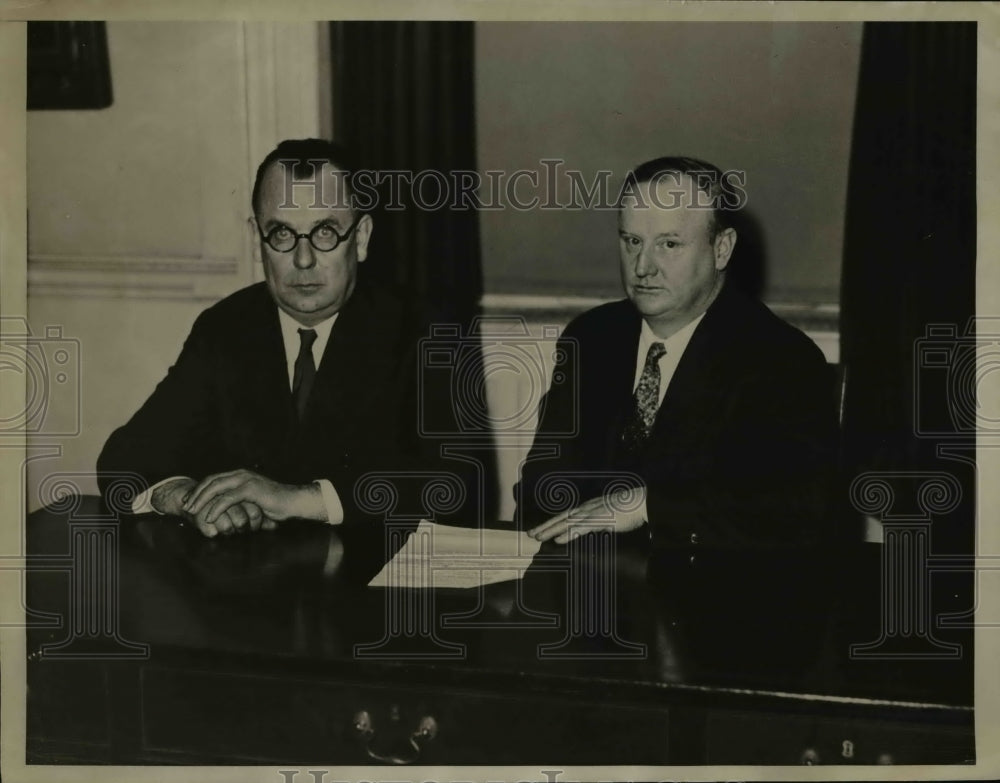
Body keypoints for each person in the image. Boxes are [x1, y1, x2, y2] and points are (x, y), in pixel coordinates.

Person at [97, 138, 466, 538]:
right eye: (282, 234)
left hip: (370, 586)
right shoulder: (226, 327)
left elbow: (459, 485)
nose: (303, 260)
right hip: (248, 588)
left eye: (325, 233)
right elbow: (124, 458)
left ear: (360, 238)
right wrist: (190, 499)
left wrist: (294, 499)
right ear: (257, 237)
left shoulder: (425, 331)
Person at [519, 157, 838, 552]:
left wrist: (649, 505)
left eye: (669, 244)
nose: (643, 267)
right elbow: (541, 483)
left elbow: (791, 513)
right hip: (589, 583)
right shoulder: (591, 336)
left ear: (722, 249)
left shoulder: (781, 359)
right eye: (632, 241)